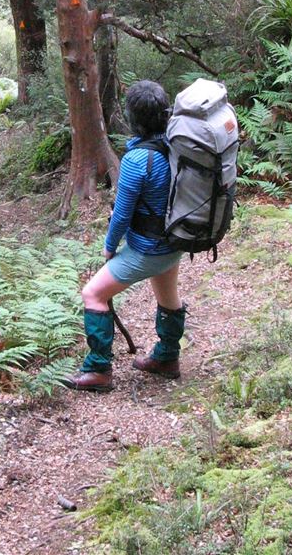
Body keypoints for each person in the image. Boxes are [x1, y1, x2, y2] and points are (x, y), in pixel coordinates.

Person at [62, 80, 186, 393]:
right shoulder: (178, 145)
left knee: (93, 294)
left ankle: (98, 370)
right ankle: (167, 358)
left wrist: (109, 247)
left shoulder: (136, 161)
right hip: (175, 242)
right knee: (168, 298)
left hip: (148, 249)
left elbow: (122, 214)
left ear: (132, 119)